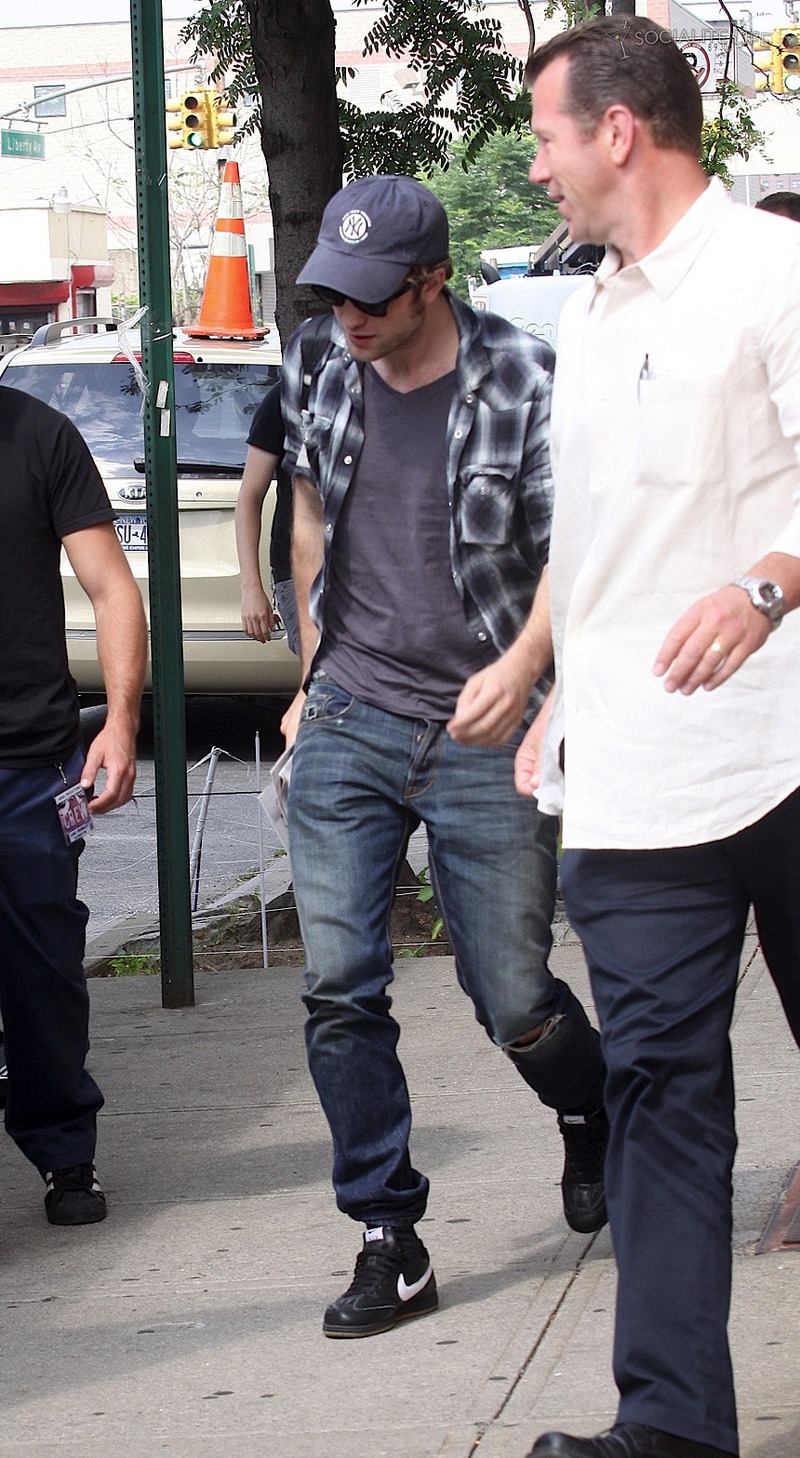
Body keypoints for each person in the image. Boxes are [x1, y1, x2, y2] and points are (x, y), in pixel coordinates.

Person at [460, 17, 799, 1458]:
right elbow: (594, 539)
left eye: (544, 137)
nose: (534, 167)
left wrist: (766, 582)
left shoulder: (774, 272)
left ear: (617, 130)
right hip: (637, 782)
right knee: (659, 1094)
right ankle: (669, 1429)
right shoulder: (589, 314)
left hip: (784, 755)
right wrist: (545, 674)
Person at [279, 173, 608, 1341]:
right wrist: (309, 673)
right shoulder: (322, 365)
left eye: (372, 298)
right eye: (336, 295)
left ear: (432, 282)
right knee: (337, 985)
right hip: (351, 713)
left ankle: (589, 1109)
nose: (350, 318)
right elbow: (308, 517)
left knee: (511, 997)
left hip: (487, 727)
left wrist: (525, 673)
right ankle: (388, 1234)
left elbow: (577, 551)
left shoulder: (524, 378)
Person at [0, 383, 147, 1226]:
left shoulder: (39, 434)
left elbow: (112, 588)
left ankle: (64, 1150)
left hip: (29, 763)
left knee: (42, 972)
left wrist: (120, 723)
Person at [235, 379, 299, 655]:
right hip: (299, 572)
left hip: (373, 573)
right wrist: (251, 589)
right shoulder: (289, 396)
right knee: (326, 672)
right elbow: (249, 497)